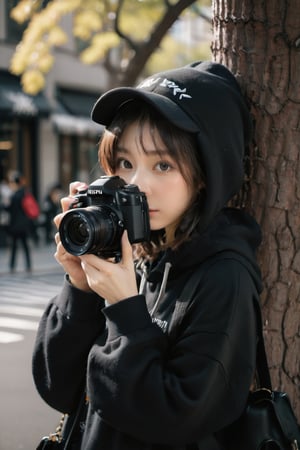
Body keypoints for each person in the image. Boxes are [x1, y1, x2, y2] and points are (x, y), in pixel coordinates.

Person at [32, 61, 262, 450]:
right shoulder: (136, 252)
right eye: (126, 163)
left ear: (207, 171)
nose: (138, 184)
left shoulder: (225, 275)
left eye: (162, 164)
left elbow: (172, 419)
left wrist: (126, 310)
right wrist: (80, 288)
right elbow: (61, 390)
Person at [7, 171, 33, 273]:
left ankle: (12, 266)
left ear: (14, 183)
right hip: (24, 224)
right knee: (25, 246)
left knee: (14, 247)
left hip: (15, 225)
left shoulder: (14, 196)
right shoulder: (25, 193)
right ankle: (28, 265)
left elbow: (9, 209)